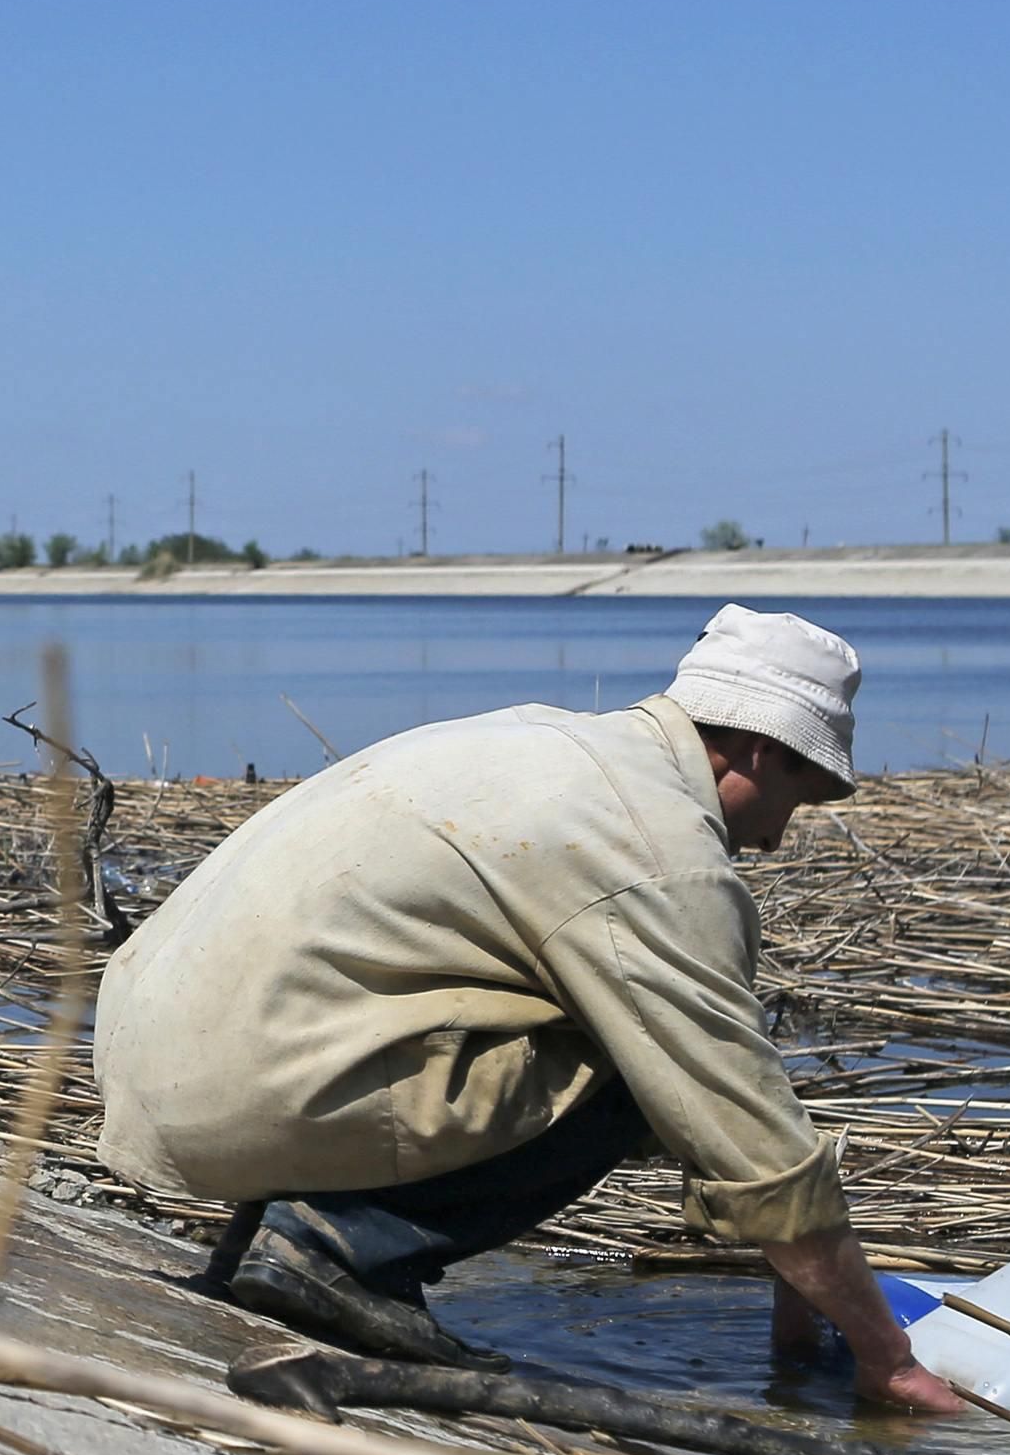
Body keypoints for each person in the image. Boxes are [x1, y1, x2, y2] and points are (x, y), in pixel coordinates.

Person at [93, 604, 960, 1412]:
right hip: (253, 1086)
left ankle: (280, 1239)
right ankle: (342, 1248)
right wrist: (889, 1361)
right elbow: (742, 1125)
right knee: (632, 1064)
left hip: (153, 1059)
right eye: (795, 804)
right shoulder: (658, 851)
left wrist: (801, 1297)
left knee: (616, 1034)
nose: (774, 839)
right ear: (761, 752)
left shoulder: (545, 740)